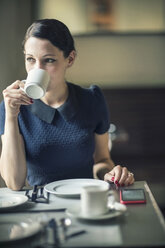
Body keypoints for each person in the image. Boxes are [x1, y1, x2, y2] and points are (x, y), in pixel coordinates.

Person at [0, 19, 134, 190]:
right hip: (41, 204)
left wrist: (108, 174)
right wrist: (11, 116)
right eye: (30, 59)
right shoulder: (12, 107)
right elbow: (14, 182)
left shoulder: (92, 100)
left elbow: (101, 160)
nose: (37, 69)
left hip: (85, 199)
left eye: (48, 60)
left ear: (70, 59)